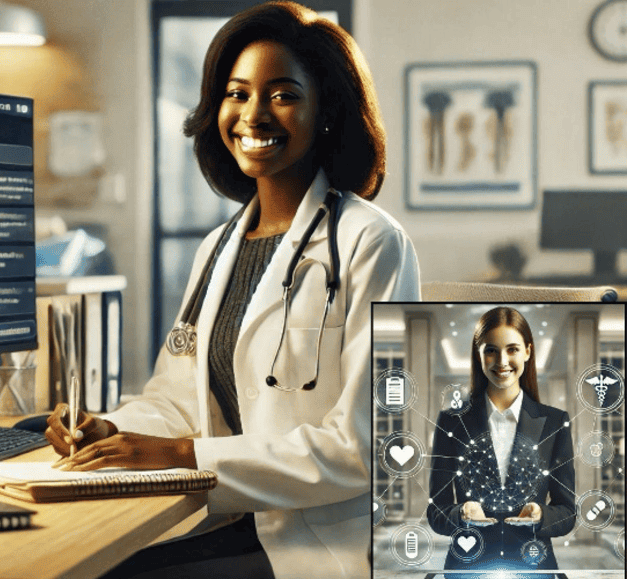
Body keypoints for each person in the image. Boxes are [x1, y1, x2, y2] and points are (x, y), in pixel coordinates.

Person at [43, 2, 420, 578]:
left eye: (283, 94)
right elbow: (179, 398)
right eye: (237, 93)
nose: (253, 115)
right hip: (227, 518)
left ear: (325, 112)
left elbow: (364, 446)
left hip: (319, 541)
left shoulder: (372, 242)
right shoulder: (218, 247)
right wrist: (114, 430)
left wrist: (180, 456)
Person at [427, 307, 575, 571]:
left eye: (512, 349)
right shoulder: (452, 422)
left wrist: (541, 516)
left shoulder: (555, 422)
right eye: (491, 350)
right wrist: (461, 514)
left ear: (528, 351)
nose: (502, 361)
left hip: (534, 567)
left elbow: (567, 512)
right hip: (468, 566)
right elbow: (436, 512)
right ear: (479, 354)